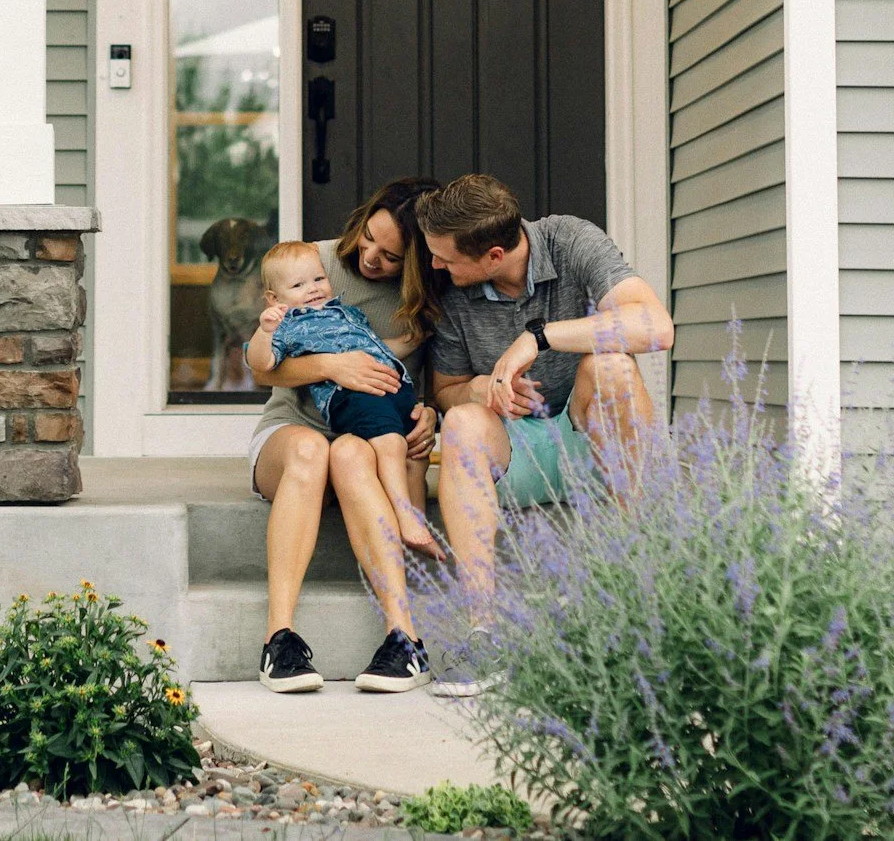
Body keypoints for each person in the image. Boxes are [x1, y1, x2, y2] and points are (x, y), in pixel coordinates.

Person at [415, 173, 673, 698]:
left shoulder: (571, 241)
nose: (435, 265)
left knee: (612, 369)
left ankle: (638, 600)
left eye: (445, 257)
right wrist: (483, 388)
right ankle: (483, 633)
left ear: (492, 255)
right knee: (462, 422)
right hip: (517, 453)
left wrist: (539, 337)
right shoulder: (452, 292)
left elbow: (655, 325)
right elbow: (446, 391)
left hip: (591, 442)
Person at [245, 176, 443, 695]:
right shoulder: (312, 264)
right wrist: (335, 365)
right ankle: (279, 639)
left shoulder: (423, 296)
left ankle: (404, 640)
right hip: (294, 434)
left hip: (368, 436)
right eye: (369, 238)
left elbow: (424, 377)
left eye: (392, 255)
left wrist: (428, 414)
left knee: (350, 451)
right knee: (315, 448)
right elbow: (264, 369)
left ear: (419, 260)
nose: (371, 257)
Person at [246, 240, 441, 558]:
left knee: (414, 453)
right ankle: (405, 517)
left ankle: (412, 535)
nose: (312, 289)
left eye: (318, 280)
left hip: (391, 389)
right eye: (298, 285)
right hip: (350, 395)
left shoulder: (347, 313)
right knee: (391, 444)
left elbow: (379, 349)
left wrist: (414, 339)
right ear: (274, 298)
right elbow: (261, 364)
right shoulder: (289, 325)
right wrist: (265, 331)